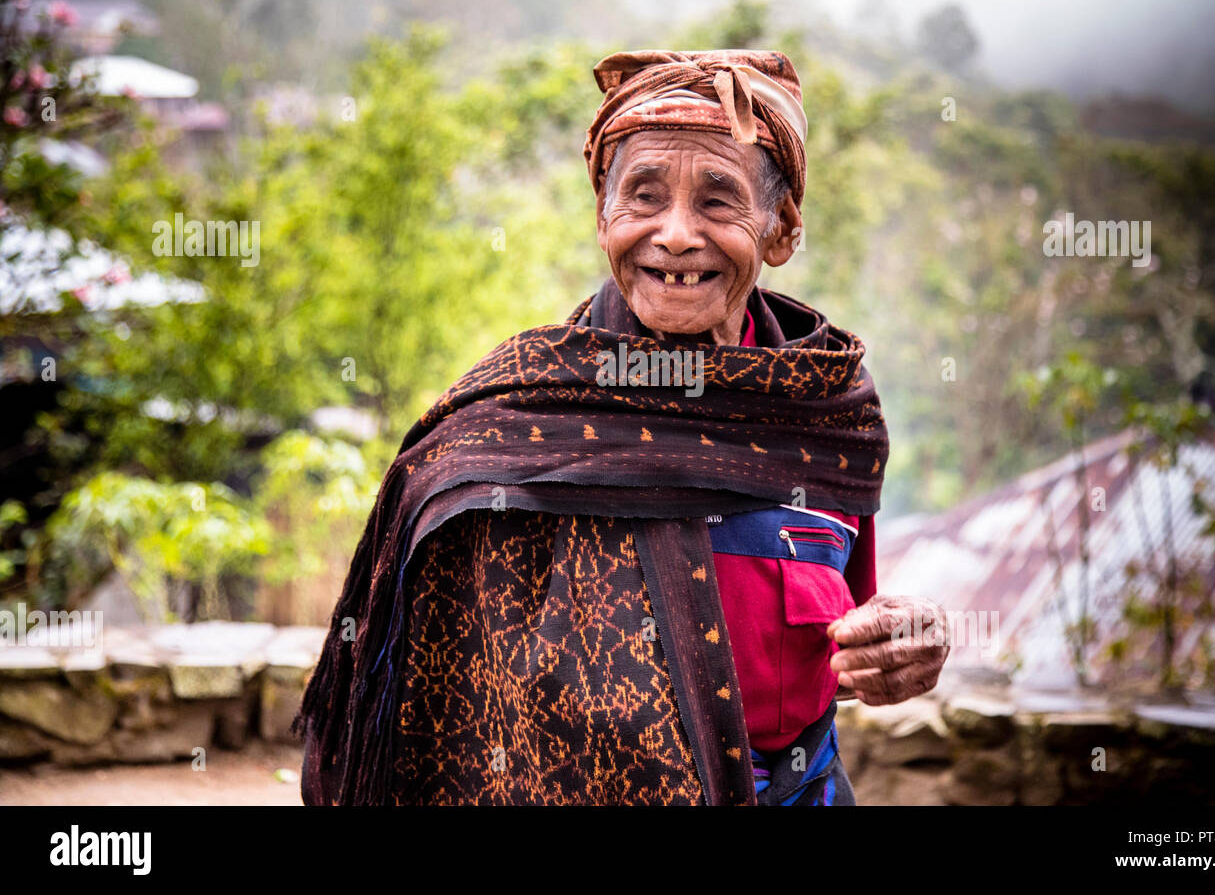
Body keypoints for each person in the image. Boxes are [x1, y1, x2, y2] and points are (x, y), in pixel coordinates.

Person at [295, 48, 950, 805]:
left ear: (780, 229)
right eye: (643, 196)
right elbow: (418, 705)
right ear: (603, 219)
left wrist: (908, 644)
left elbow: (849, 649)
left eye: (717, 201)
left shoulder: (826, 415)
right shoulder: (516, 424)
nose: (674, 234)